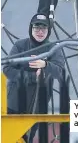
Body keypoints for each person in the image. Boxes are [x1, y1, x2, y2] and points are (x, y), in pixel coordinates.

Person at [3, 13, 65, 142]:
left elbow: (60, 72)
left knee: (28, 138)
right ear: (31, 29)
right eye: (37, 28)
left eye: (44, 28)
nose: (40, 32)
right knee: (10, 138)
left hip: (37, 106)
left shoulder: (54, 48)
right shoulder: (20, 45)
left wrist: (46, 65)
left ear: (48, 31)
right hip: (14, 104)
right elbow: (7, 69)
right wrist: (32, 77)